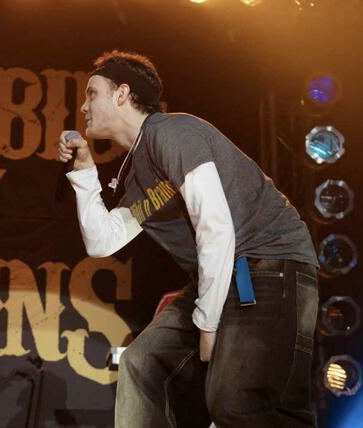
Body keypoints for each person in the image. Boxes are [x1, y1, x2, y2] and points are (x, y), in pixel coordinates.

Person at [57, 50, 320, 428]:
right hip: (220, 277)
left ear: (122, 94)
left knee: (235, 402)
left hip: (266, 266)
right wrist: (84, 173)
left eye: (92, 94)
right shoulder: (138, 173)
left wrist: (207, 325)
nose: (84, 106)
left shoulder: (172, 132)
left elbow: (216, 225)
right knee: (142, 364)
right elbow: (102, 241)